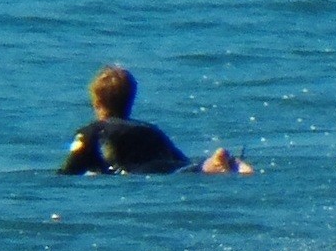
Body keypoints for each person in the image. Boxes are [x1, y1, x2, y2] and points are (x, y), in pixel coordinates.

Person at [60, 65, 251, 175]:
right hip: (167, 167)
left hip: (135, 173)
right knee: (187, 168)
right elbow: (179, 159)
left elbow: (67, 173)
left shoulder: (90, 133)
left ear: (97, 101)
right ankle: (216, 164)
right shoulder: (150, 130)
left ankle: (211, 166)